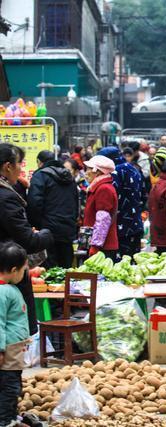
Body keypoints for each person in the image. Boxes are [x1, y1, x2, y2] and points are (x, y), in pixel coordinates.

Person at [0, 144, 53, 336]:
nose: (21, 169)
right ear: (7, 166)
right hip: (7, 268)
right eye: (19, 164)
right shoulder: (5, 197)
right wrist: (46, 234)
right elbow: (28, 240)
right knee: (12, 330)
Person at [27, 150, 78, 268]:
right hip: (67, 230)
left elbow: (34, 204)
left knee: (48, 272)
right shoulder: (69, 176)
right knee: (66, 270)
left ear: (39, 162)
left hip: (47, 231)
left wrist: (36, 226)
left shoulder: (40, 175)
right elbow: (75, 202)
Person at [0, 242, 30, 427]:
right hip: (8, 351)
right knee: (10, 388)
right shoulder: (3, 291)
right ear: (13, 270)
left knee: (12, 385)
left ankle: (11, 418)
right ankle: (4, 421)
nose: (24, 275)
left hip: (14, 350)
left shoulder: (8, 288)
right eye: (23, 271)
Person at [97, 147, 146, 259]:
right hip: (136, 225)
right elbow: (144, 195)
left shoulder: (115, 172)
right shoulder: (134, 169)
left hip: (121, 228)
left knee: (120, 265)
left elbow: (111, 198)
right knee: (132, 263)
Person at [83, 155, 119, 260]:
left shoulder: (103, 189)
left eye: (89, 169)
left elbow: (103, 219)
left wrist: (95, 245)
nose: (86, 172)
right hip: (100, 245)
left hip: (104, 247)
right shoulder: (99, 187)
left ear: (97, 172)